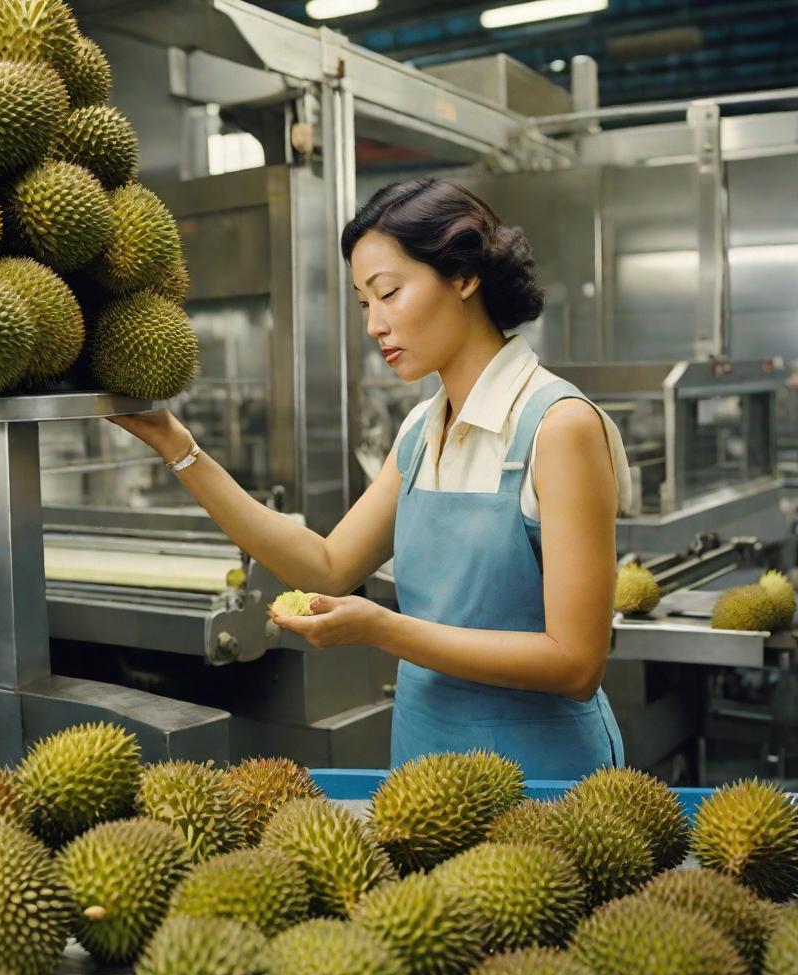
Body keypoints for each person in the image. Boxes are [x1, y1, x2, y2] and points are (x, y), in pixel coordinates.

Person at [110, 177, 630, 777]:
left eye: (388, 293)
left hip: (539, 776)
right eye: (364, 303)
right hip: (423, 763)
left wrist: (383, 629)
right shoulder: (420, 430)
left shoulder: (556, 427)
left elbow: (576, 663)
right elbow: (326, 565)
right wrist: (180, 448)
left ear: (464, 277)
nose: (374, 325)